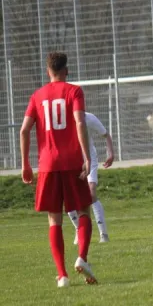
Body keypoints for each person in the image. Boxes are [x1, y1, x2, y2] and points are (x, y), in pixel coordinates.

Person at [20, 52, 97, 288]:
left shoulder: (37, 95)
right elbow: (80, 122)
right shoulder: (74, 91)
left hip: (47, 166)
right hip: (72, 162)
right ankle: (82, 257)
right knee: (83, 211)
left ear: (48, 71)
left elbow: (24, 131)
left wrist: (25, 164)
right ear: (67, 70)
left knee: (55, 220)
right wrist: (86, 157)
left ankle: (62, 275)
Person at [68, 112, 115, 244]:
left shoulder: (89, 118)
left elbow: (106, 135)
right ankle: (79, 230)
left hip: (90, 158)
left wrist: (111, 153)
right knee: (69, 197)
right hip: (71, 161)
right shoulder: (64, 119)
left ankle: (103, 234)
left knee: (91, 194)